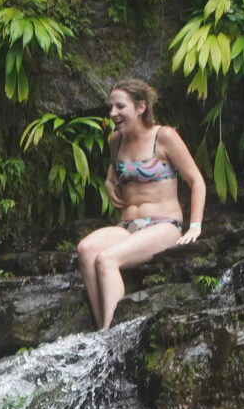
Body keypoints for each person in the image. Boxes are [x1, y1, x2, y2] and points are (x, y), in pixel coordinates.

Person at [75, 78, 204, 329]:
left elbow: (196, 180)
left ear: (141, 107)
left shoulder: (164, 136)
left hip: (164, 225)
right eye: (111, 107)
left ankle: (110, 333)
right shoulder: (116, 140)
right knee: (86, 249)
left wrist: (195, 226)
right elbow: (115, 168)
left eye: (120, 106)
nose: (113, 113)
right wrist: (109, 182)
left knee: (106, 259)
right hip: (127, 226)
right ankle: (102, 329)